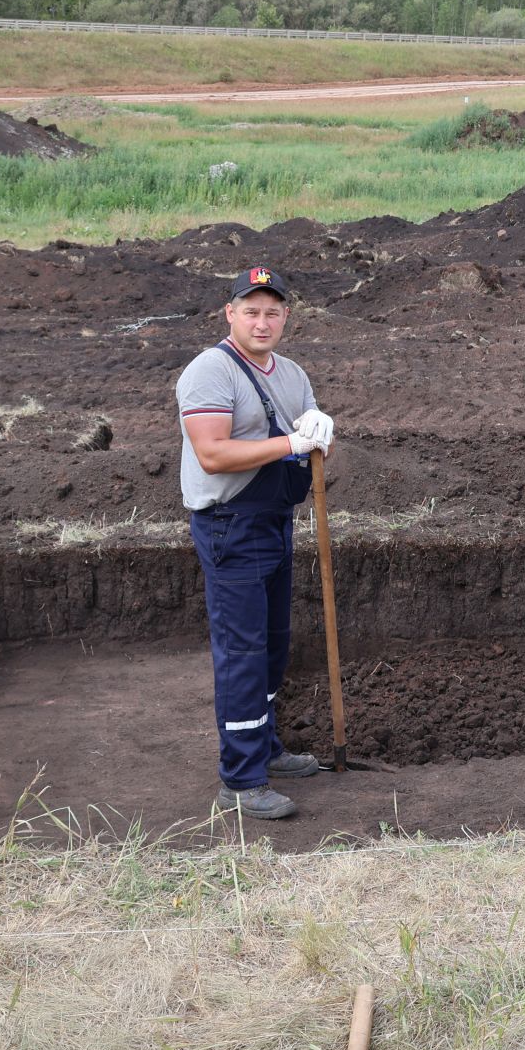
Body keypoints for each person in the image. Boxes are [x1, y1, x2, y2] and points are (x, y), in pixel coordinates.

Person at [177, 266, 335, 819]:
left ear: (286, 316)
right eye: (251, 311)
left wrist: (316, 434)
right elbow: (214, 454)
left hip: (273, 520)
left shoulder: (291, 374)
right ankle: (241, 781)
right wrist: (289, 439)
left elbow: (307, 447)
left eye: (272, 311)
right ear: (230, 313)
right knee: (242, 653)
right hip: (230, 525)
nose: (262, 321)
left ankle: (265, 749)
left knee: (272, 646)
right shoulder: (210, 373)